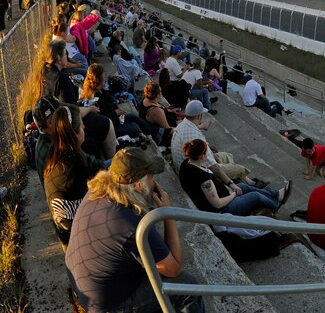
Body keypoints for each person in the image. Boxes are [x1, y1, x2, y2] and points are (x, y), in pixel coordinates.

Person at [65, 147, 205, 312]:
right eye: (151, 178)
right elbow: (173, 269)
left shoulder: (96, 191)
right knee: (188, 286)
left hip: (86, 293)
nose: (154, 183)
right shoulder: (131, 222)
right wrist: (168, 214)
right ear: (139, 185)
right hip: (109, 307)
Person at [41, 40, 117, 159]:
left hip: (55, 119)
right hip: (65, 123)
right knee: (108, 123)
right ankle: (111, 162)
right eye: (65, 54)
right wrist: (90, 109)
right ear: (59, 59)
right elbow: (73, 112)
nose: (67, 56)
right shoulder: (62, 80)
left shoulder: (45, 73)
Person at [43, 106, 107, 244]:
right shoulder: (74, 166)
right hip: (75, 234)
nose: (84, 126)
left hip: (64, 227)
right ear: (75, 133)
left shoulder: (55, 152)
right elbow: (96, 197)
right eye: (82, 127)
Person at [178, 139, 289, 216]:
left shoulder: (187, 163)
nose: (208, 155)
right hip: (225, 209)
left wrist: (230, 188)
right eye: (206, 152)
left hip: (225, 196)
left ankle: (277, 195)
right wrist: (233, 194)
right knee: (255, 196)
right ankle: (274, 205)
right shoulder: (203, 179)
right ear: (201, 155)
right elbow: (217, 204)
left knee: (242, 186)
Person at [171, 100, 263, 187]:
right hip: (198, 175)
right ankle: (243, 181)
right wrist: (229, 183)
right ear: (199, 116)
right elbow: (213, 167)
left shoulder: (182, 125)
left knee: (226, 156)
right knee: (239, 169)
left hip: (186, 169)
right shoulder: (195, 136)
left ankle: (242, 179)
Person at [81, 64, 150, 138]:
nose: (105, 79)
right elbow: (105, 119)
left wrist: (116, 110)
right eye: (103, 77)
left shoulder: (100, 90)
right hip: (111, 128)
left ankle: (151, 132)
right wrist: (116, 113)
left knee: (133, 117)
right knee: (135, 127)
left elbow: (111, 102)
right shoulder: (95, 98)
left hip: (116, 119)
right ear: (98, 79)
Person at [138, 81, 179, 146]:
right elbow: (168, 130)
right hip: (166, 136)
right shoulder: (156, 111)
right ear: (157, 94)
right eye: (160, 91)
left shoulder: (146, 99)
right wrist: (179, 127)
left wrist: (171, 111)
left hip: (171, 124)